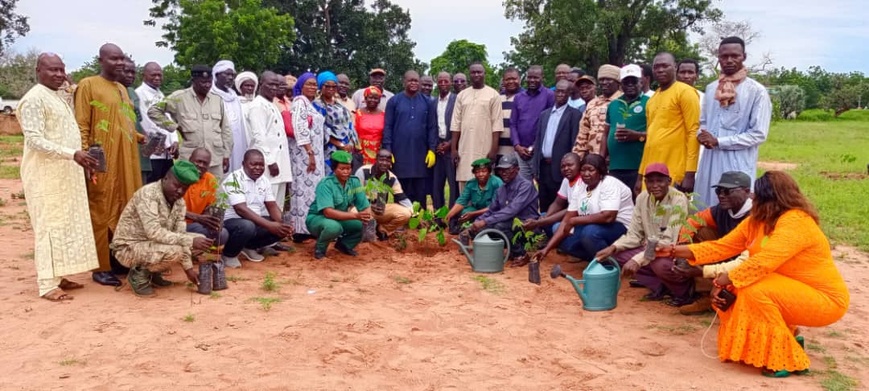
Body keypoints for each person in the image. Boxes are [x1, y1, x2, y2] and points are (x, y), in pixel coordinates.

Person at [664, 171, 849, 377]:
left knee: (754, 289)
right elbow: (722, 247)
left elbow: (763, 263)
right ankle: (787, 336)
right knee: (740, 287)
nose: (754, 198)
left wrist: (723, 279)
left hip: (826, 301)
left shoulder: (797, 222)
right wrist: (674, 250)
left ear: (774, 198)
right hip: (788, 289)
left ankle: (784, 360)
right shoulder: (759, 220)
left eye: (758, 195)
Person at [18, 53, 100, 301]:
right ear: (38, 71)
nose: (59, 74)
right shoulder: (32, 99)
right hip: (45, 176)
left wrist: (77, 157)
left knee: (64, 225)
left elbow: (72, 91)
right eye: (52, 70)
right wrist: (71, 153)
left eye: (61, 70)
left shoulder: (57, 96)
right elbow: (35, 140)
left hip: (66, 173)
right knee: (48, 227)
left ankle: (60, 275)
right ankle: (46, 284)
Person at [75, 43, 143, 287]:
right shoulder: (88, 85)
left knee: (126, 207)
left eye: (122, 59)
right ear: (101, 60)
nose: (120, 63)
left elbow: (125, 125)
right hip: (102, 160)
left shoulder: (123, 90)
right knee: (101, 209)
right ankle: (100, 267)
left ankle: (118, 260)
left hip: (127, 160)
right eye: (114, 59)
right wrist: (86, 159)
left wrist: (143, 139)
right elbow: (82, 124)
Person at [595, 163, 695, 306]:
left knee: (658, 263)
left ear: (669, 181)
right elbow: (634, 234)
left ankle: (684, 294)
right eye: (650, 181)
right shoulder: (642, 198)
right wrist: (614, 247)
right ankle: (660, 286)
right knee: (618, 255)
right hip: (652, 248)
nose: (655, 185)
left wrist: (638, 259)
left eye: (660, 181)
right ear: (645, 183)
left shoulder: (678, 199)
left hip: (675, 252)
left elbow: (668, 241)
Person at [111, 161, 212, 296]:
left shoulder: (179, 203)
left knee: (200, 240)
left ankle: (153, 273)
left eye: (184, 188)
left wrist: (189, 270)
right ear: (165, 178)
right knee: (178, 249)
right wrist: (189, 241)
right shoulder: (148, 194)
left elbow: (179, 234)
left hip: (152, 245)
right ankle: (138, 275)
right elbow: (154, 232)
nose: (180, 191)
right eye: (176, 186)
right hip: (128, 247)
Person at [695, 37, 771, 208]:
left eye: (734, 56)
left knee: (735, 207)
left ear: (743, 56)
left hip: (737, 162)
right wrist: (702, 135)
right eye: (724, 56)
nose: (729, 60)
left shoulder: (756, 91)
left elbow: (758, 134)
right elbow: (704, 121)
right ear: (718, 58)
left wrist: (719, 141)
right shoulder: (712, 88)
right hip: (710, 159)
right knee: (705, 206)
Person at [673, 171, 753, 315]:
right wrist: (681, 246)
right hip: (727, 252)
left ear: (746, 191)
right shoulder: (721, 210)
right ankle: (706, 296)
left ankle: (727, 296)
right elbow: (694, 220)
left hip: (748, 260)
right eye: (719, 190)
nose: (721, 195)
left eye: (727, 191)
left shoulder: (757, 214)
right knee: (699, 231)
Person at [536, 154, 633, 262]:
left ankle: (610, 264)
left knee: (589, 233)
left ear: (600, 172)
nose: (586, 174)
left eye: (591, 170)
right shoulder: (580, 185)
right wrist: (546, 249)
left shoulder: (609, 183)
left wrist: (574, 220)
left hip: (621, 227)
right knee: (566, 243)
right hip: (596, 226)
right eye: (583, 170)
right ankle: (596, 258)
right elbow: (567, 219)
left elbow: (608, 216)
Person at [148, 65, 233, 178]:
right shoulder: (179, 97)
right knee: (189, 192)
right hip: (190, 159)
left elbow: (225, 129)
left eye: (209, 82)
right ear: (193, 81)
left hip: (214, 160)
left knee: (215, 192)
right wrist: (174, 126)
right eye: (203, 82)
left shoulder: (217, 100)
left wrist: (226, 155)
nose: (207, 85)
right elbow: (153, 111)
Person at [638, 52, 701, 195]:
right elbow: (650, 139)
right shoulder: (652, 99)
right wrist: (640, 176)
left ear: (675, 67)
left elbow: (693, 132)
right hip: (651, 170)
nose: (660, 70)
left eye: (665, 66)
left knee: (672, 214)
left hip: (674, 169)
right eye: (656, 67)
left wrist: (690, 173)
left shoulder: (686, 92)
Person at [221, 149, 294, 268]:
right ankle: (229, 254)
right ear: (243, 164)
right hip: (231, 223)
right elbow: (241, 209)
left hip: (253, 221)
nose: (258, 168)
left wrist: (284, 224)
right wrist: (270, 225)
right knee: (247, 226)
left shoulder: (264, 180)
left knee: (281, 227)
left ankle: (249, 247)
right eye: (253, 164)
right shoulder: (234, 179)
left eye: (261, 165)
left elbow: (272, 206)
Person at [464, 153, 539, 265]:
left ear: (517, 169)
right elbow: (492, 211)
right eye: (500, 170)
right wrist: (476, 222)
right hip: (508, 223)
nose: (503, 173)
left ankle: (521, 254)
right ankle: (497, 251)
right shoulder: (501, 189)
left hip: (527, 226)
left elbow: (512, 210)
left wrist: (485, 221)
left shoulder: (525, 186)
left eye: (507, 169)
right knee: (479, 228)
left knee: (499, 225)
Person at [383, 70, 437, 207]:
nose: (413, 83)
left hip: (421, 154)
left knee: (420, 189)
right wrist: (388, 150)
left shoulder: (427, 102)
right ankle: (402, 218)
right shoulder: (394, 101)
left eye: (416, 81)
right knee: (401, 188)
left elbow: (432, 127)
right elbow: (388, 126)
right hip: (400, 153)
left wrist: (432, 149)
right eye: (410, 80)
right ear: (404, 82)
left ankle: (419, 219)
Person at [307, 151, 373, 259]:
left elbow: (364, 205)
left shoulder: (354, 182)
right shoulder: (326, 184)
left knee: (359, 225)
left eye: (348, 168)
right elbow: (328, 212)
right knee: (333, 227)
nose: (346, 172)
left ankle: (344, 245)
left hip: (340, 218)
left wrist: (367, 215)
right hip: (318, 218)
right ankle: (320, 249)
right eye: (342, 169)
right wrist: (356, 215)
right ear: (334, 169)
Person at [451, 62, 504, 190]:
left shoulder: (493, 95)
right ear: (469, 75)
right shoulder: (462, 95)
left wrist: (493, 150)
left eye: (479, 72)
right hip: (464, 148)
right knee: (464, 182)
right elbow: (455, 124)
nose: (476, 74)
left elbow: (497, 124)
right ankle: (466, 210)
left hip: (484, 147)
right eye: (473, 72)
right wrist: (453, 149)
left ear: (484, 74)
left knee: (484, 180)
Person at [531, 80, 582, 210]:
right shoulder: (544, 114)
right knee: (543, 203)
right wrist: (535, 168)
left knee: (560, 204)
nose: (560, 94)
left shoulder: (574, 114)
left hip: (560, 168)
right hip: (543, 167)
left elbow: (574, 142)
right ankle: (544, 228)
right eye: (558, 91)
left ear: (569, 94)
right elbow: (538, 140)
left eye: (564, 92)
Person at [287, 72, 327, 241]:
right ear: (301, 86)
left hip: (314, 153)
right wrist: (310, 153)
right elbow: (299, 128)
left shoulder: (311, 104)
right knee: (302, 191)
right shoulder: (299, 102)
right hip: (304, 154)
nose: (312, 87)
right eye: (308, 84)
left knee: (312, 191)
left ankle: (309, 226)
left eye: (314, 84)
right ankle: (300, 230)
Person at [247, 71, 293, 210]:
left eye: (277, 85)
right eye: (270, 84)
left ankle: (275, 230)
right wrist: (270, 161)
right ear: (261, 85)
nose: (274, 88)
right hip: (267, 163)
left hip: (280, 162)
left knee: (277, 204)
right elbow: (259, 136)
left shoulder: (271, 104)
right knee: (265, 204)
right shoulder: (257, 106)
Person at [606, 64, 650, 192]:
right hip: (615, 166)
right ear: (621, 85)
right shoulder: (613, 104)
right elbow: (605, 133)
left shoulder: (650, 103)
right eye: (626, 82)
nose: (630, 85)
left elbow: (656, 134)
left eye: (634, 81)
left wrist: (637, 136)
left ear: (641, 82)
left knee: (637, 204)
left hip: (638, 166)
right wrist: (602, 156)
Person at [355, 149, 413, 240]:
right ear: (376, 160)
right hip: (363, 207)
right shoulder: (363, 171)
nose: (384, 163)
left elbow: (401, 197)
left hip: (380, 210)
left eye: (387, 161)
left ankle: (382, 230)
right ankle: (359, 233)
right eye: (381, 160)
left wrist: (413, 212)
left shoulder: (391, 178)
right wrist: (369, 205)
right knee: (354, 212)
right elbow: (356, 195)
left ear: (390, 163)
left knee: (405, 213)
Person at [136, 62, 178, 183]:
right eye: (153, 75)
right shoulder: (139, 94)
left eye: (160, 75)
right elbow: (146, 122)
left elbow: (168, 118)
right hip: (153, 151)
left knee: (165, 186)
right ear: (143, 75)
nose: (157, 78)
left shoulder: (160, 94)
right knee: (151, 186)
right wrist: (166, 143)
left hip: (167, 153)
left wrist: (174, 140)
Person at [510, 65, 554, 179]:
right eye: (529, 77)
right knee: (523, 186)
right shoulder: (518, 97)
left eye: (536, 77)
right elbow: (513, 123)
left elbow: (550, 124)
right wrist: (517, 146)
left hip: (539, 151)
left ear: (542, 78)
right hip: (520, 152)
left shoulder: (549, 95)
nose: (532, 80)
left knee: (539, 184)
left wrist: (534, 146)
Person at [523, 153, 581, 237]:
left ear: (579, 165)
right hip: (568, 216)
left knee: (555, 227)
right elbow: (558, 203)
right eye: (563, 166)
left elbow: (569, 211)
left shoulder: (583, 182)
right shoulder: (566, 180)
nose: (566, 168)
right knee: (543, 215)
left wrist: (540, 222)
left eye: (570, 165)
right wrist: (545, 217)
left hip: (578, 218)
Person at [573, 65, 622, 159]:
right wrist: (577, 158)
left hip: (615, 159)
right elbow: (583, 133)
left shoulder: (623, 101)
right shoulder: (592, 103)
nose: (604, 83)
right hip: (592, 160)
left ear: (617, 82)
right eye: (602, 79)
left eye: (608, 79)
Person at [183, 148, 229, 245]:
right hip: (177, 223)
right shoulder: (179, 175)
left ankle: (202, 253)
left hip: (198, 222)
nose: (201, 166)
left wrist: (210, 221)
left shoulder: (210, 179)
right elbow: (169, 208)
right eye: (198, 161)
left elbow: (210, 207)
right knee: (201, 232)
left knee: (222, 234)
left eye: (205, 163)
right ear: (190, 160)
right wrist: (197, 218)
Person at [315, 71, 358, 175]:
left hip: (346, 149)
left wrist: (350, 144)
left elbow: (349, 125)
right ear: (321, 86)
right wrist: (341, 145)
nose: (331, 89)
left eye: (334, 86)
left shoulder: (339, 105)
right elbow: (323, 130)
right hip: (330, 150)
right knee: (332, 178)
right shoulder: (317, 105)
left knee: (345, 178)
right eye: (327, 86)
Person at [444, 158, 503, 232]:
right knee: (463, 212)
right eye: (477, 172)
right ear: (474, 173)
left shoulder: (497, 183)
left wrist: (473, 214)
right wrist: (449, 215)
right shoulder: (471, 184)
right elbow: (461, 201)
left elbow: (495, 207)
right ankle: (470, 227)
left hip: (492, 212)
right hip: (477, 211)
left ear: (489, 172)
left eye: (484, 171)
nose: (481, 174)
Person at [211, 60, 249, 172]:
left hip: (238, 143)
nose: (231, 77)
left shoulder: (234, 97)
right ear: (216, 75)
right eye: (227, 74)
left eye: (232, 75)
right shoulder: (211, 96)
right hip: (219, 144)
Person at [120, 58, 152, 183]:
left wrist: (147, 137)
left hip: (139, 150)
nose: (130, 75)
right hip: (123, 150)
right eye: (126, 72)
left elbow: (138, 121)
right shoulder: (111, 92)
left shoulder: (132, 93)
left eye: (133, 72)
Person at [432, 72, 459, 215]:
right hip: (438, 148)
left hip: (452, 146)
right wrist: (436, 145)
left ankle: (453, 218)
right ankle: (438, 217)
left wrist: (450, 144)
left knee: (453, 186)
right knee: (437, 185)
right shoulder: (433, 102)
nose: (443, 84)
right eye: (440, 81)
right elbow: (431, 125)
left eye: (446, 81)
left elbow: (460, 125)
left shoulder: (457, 100)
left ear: (450, 83)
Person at [355, 86, 386, 165]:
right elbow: (354, 133)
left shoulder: (384, 115)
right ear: (365, 98)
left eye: (376, 98)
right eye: (370, 97)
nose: (373, 100)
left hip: (378, 151)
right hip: (361, 151)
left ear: (379, 100)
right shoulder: (358, 114)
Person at [498, 68, 522, 158]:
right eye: (508, 79)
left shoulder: (525, 97)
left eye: (514, 79)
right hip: (498, 149)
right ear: (503, 81)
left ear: (519, 79)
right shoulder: (497, 98)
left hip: (517, 150)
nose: (511, 81)